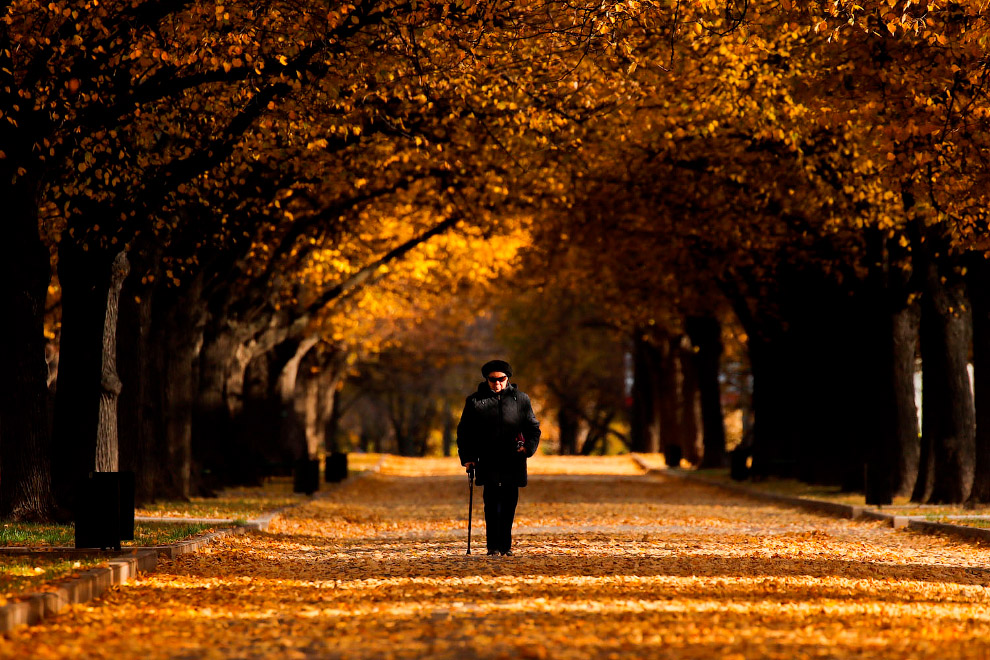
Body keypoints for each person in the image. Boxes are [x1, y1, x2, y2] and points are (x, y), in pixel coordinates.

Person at [457, 359, 541, 556]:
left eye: (501, 379)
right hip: (488, 459)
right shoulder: (475, 401)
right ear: (486, 379)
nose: (497, 383)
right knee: (492, 504)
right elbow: (464, 432)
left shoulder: (521, 399)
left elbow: (533, 428)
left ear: (508, 378)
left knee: (510, 503)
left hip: (513, 459)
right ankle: (493, 547)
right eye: (492, 380)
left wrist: (528, 448)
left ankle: (506, 546)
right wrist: (468, 457)